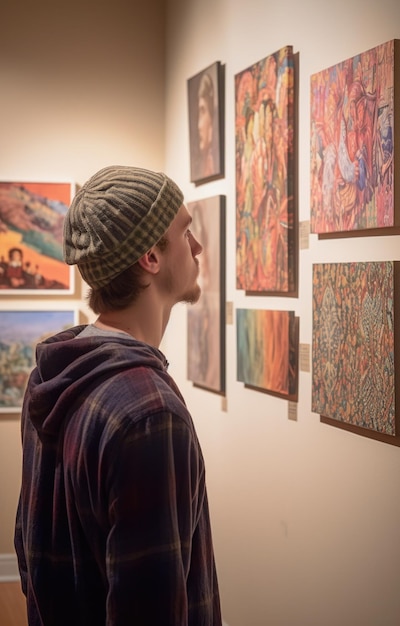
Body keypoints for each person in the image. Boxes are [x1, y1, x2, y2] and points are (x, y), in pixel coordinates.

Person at [14, 165, 222, 626]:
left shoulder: (50, 378)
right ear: (151, 256)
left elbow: (27, 550)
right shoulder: (149, 414)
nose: (197, 247)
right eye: (185, 232)